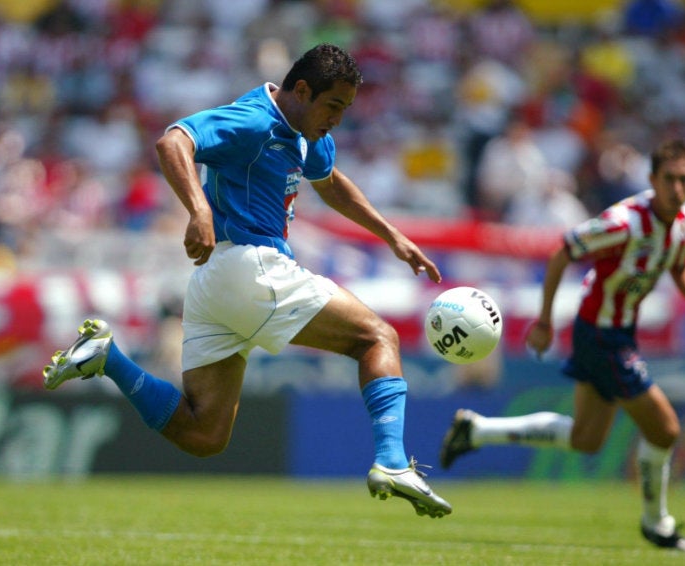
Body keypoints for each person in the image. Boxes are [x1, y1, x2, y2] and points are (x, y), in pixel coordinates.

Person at [43, 43, 452, 518]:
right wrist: (198, 210)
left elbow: (330, 180)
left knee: (203, 434)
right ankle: (393, 462)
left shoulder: (307, 130)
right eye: (333, 106)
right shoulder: (254, 120)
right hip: (252, 267)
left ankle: (108, 359)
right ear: (301, 90)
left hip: (216, 283)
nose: (338, 119)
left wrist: (392, 235)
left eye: (346, 108)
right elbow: (173, 142)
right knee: (377, 337)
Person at [439, 138, 685, 552]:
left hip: (621, 332)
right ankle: (656, 522)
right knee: (665, 428)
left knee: (587, 438)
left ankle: (476, 430)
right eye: (669, 180)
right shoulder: (623, 223)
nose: (677, 189)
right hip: (599, 334)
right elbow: (563, 253)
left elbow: (678, 262)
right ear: (651, 180)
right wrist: (545, 320)